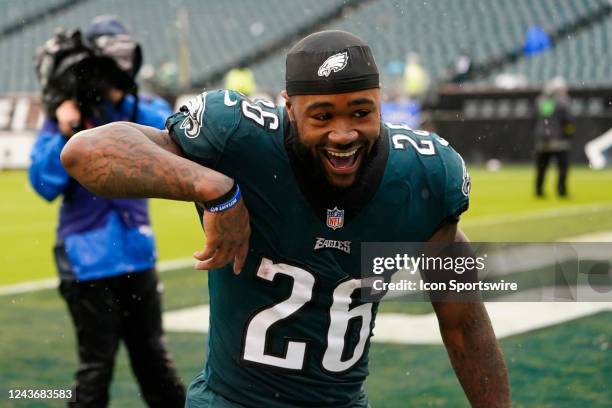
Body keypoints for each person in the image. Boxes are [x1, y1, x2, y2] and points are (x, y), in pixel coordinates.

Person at [61, 30, 511, 407]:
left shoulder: (425, 177)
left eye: (361, 112)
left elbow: (463, 323)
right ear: (288, 108)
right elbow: (85, 153)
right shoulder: (241, 140)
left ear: (381, 103)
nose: (343, 133)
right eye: (322, 115)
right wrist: (216, 190)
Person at [29, 17, 185, 407]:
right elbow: (44, 184)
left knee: (154, 362)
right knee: (96, 369)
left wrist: (118, 97)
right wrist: (67, 130)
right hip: (87, 260)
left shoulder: (138, 108)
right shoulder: (63, 118)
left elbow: (170, 136)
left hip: (136, 254)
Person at [534, 76, 574, 197]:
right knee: (563, 168)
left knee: (541, 168)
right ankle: (561, 190)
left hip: (543, 140)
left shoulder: (541, 100)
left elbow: (538, 117)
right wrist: (569, 134)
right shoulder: (563, 101)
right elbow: (568, 121)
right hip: (559, 140)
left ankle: (539, 190)